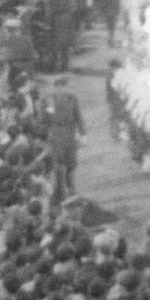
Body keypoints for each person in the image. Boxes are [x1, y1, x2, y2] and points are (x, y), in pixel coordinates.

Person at [42, 75, 85, 208]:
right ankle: (62, 192)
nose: (62, 90)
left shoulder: (72, 98)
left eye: (64, 87)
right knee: (59, 163)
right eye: (60, 88)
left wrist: (83, 134)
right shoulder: (48, 100)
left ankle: (71, 188)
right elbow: (44, 119)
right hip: (56, 133)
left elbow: (78, 116)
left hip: (70, 132)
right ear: (56, 87)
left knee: (71, 162)